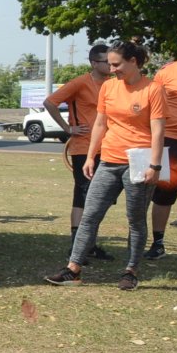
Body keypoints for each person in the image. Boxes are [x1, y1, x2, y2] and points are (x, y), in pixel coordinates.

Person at [45, 40, 165, 290]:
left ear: (134, 62)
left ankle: (131, 271)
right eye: (109, 64)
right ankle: (73, 269)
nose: (112, 70)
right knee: (90, 215)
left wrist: (154, 166)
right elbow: (100, 124)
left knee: (135, 220)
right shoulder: (109, 87)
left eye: (117, 64)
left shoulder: (153, 89)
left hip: (139, 162)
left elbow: (157, 131)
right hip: (108, 160)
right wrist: (91, 156)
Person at [43, 45, 116, 260]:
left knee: (101, 199)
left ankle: (89, 244)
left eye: (113, 62)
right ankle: (77, 246)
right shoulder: (81, 82)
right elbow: (50, 102)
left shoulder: (114, 84)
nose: (111, 66)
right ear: (94, 63)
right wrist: (67, 128)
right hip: (84, 148)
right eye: (106, 62)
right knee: (83, 195)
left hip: (109, 148)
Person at [144, 33, 177, 260]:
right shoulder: (167, 72)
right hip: (171, 139)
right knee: (164, 194)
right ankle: (158, 243)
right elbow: (152, 104)